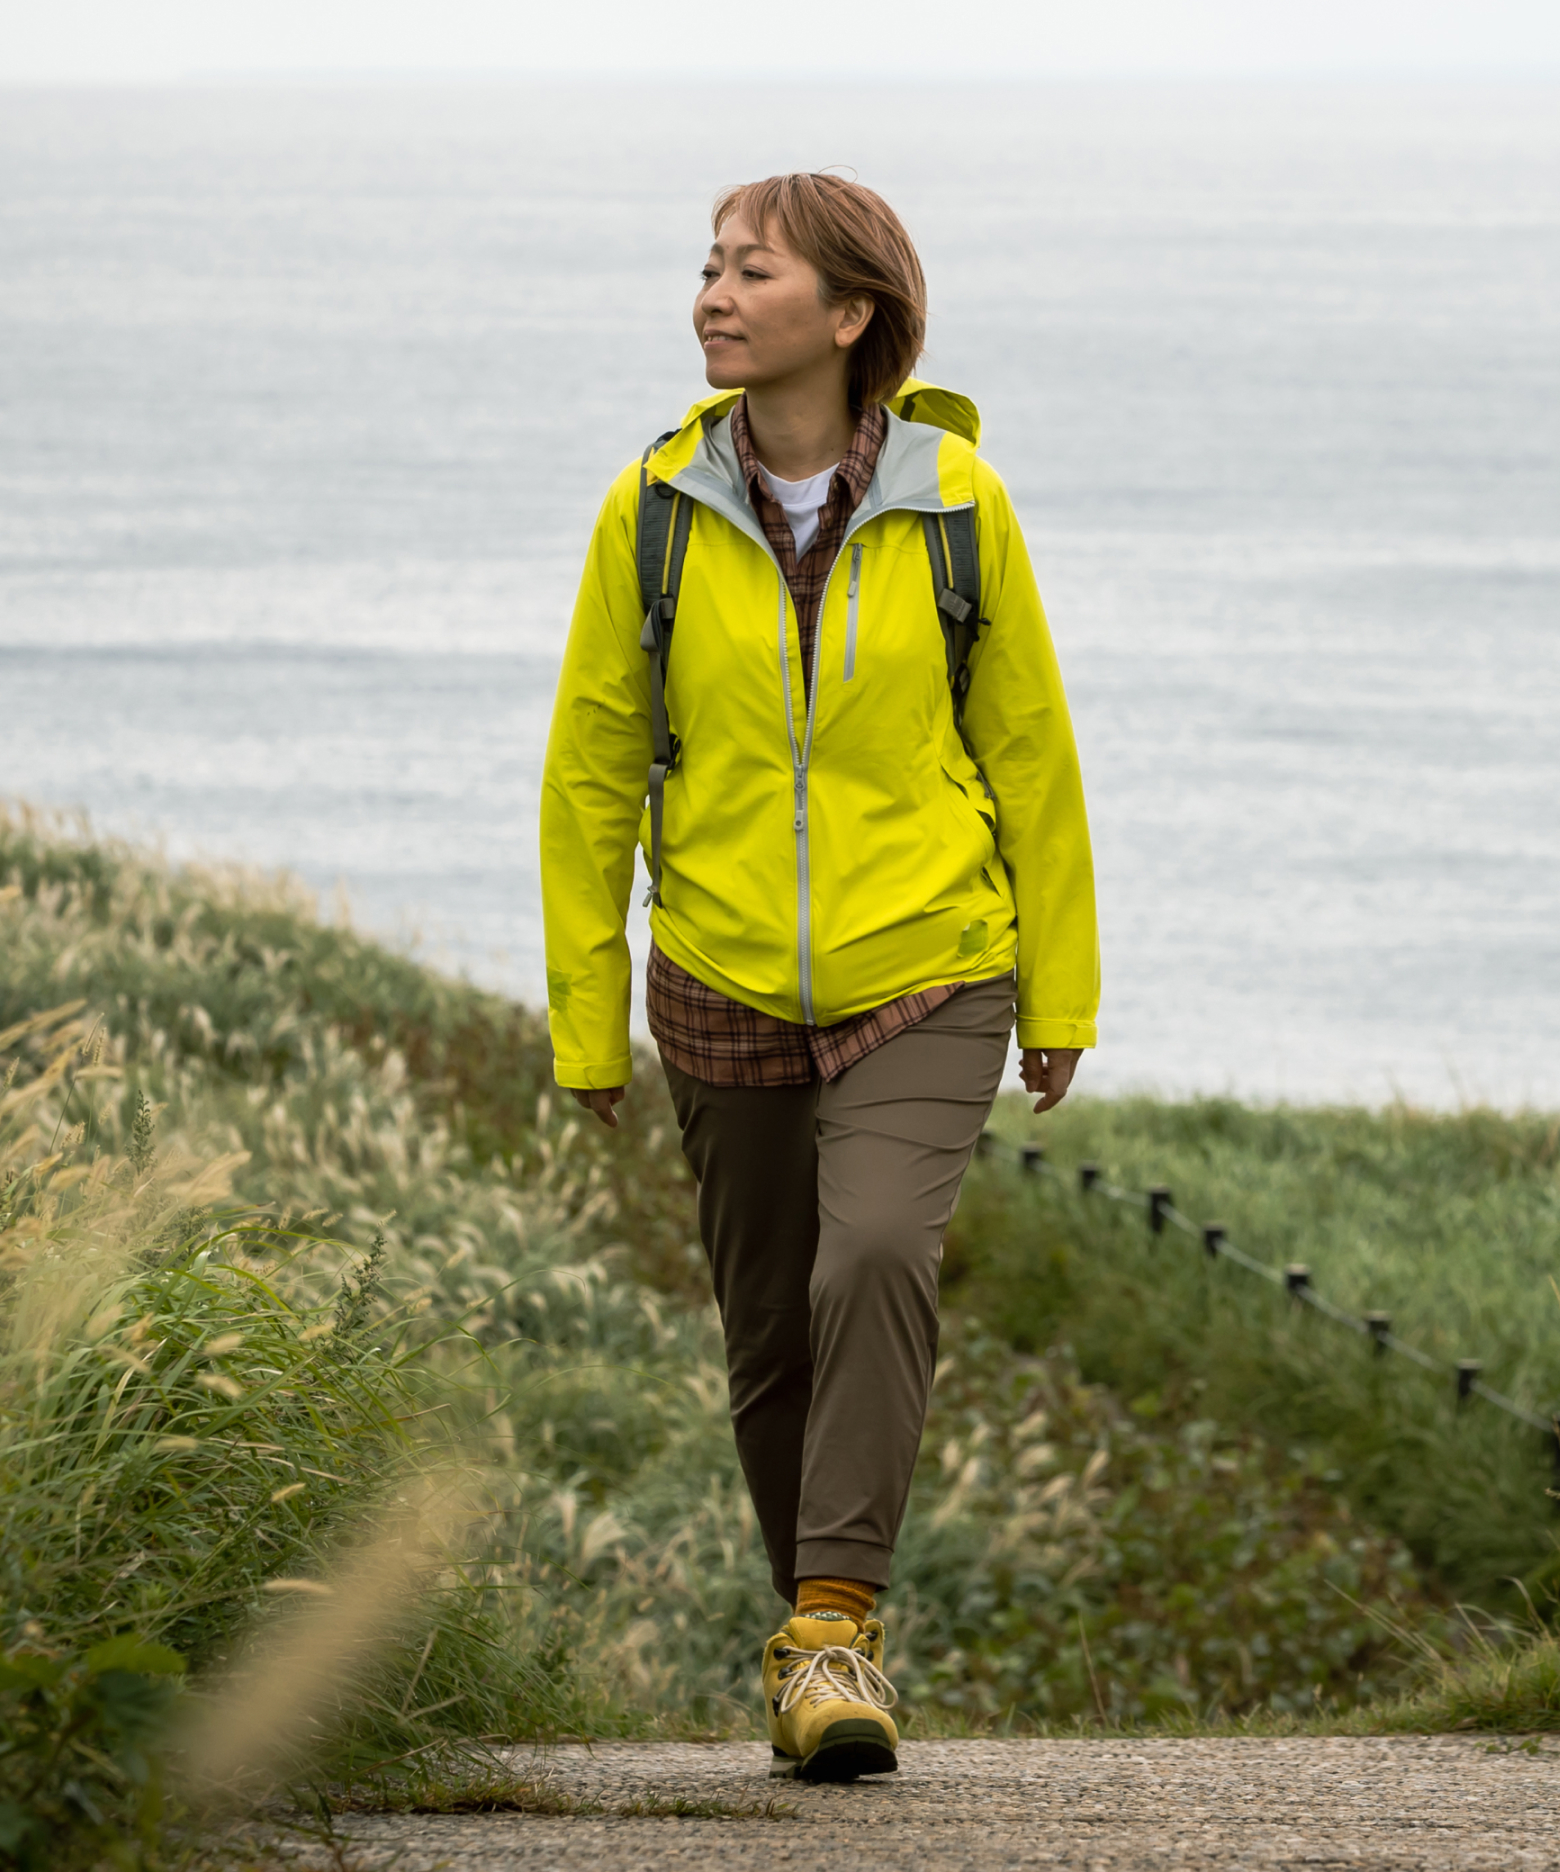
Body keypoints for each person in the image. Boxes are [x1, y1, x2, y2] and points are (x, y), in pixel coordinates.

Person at [540, 172, 1099, 1781]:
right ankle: (817, 1655)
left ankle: (834, 1625)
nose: (712, 295)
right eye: (707, 269)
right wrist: (588, 1015)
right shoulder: (648, 513)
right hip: (716, 978)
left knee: (870, 1257)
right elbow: (591, 784)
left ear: (850, 315)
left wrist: (1058, 991)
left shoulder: (956, 503)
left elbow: (1033, 760)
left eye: (752, 271)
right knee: (771, 1335)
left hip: (930, 967)